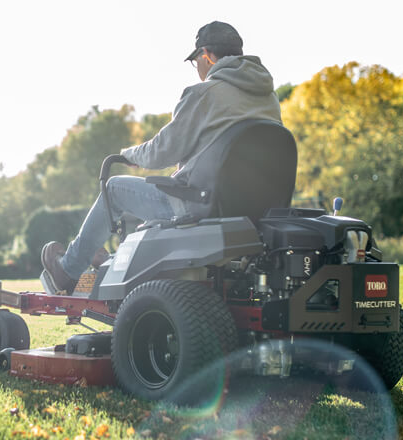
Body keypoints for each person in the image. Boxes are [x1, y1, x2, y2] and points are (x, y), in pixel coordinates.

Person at [41, 21, 282, 294]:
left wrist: (129, 155)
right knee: (157, 197)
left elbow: (162, 151)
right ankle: (110, 261)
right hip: (254, 210)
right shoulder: (268, 98)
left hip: (202, 208)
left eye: (196, 62)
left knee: (115, 188)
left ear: (205, 55)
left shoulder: (205, 93)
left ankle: (68, 270)